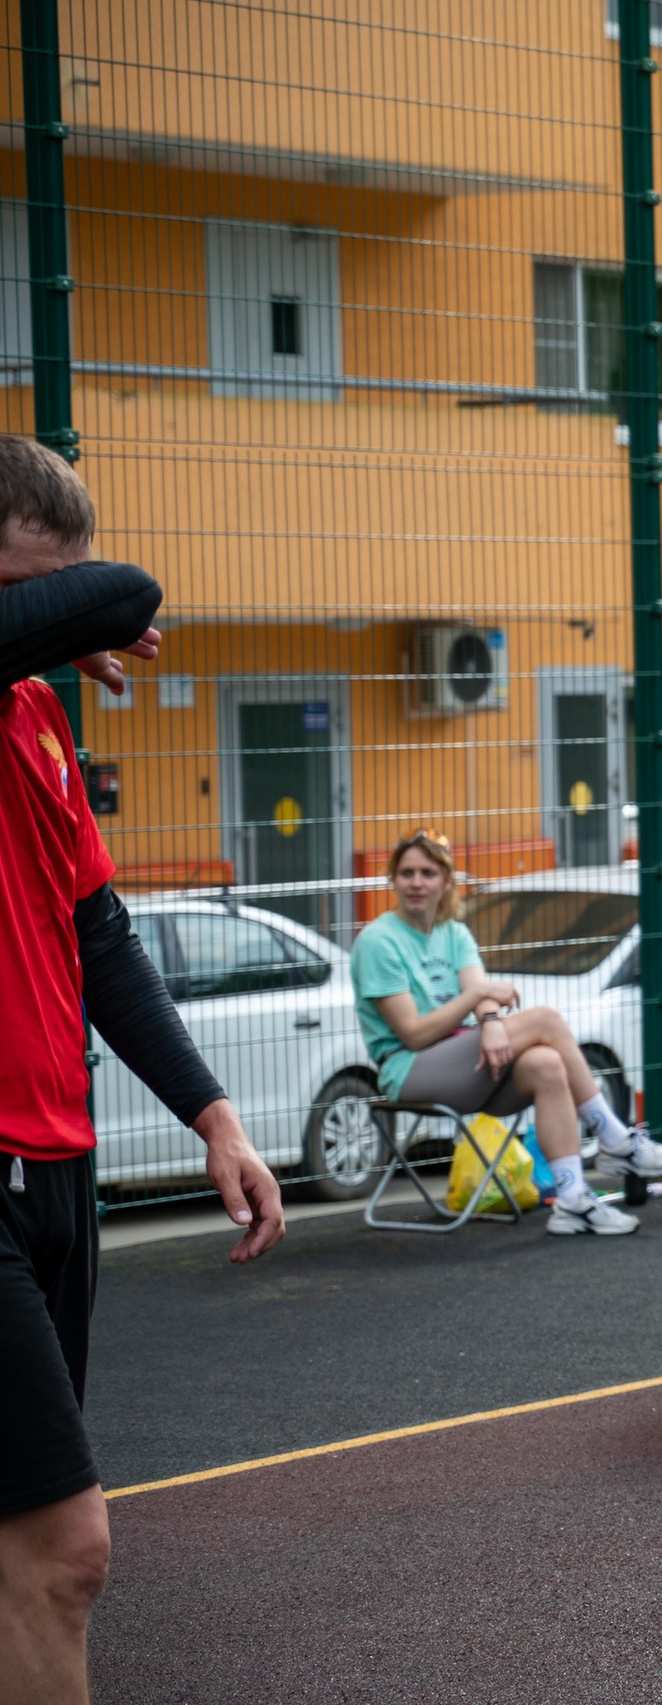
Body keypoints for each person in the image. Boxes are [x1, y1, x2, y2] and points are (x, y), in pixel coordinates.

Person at [0, 434, 287, 1704]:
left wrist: (214, 1115)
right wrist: (77, 613)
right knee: (68, 1553)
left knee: (17, 1557)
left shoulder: (35, 714)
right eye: (25, 587)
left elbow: (98, 937)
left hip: (58, 1167)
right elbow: (122, 592)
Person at [352, 830, 662, 1235]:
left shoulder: (453, 932)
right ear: (393, 880)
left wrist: (490, 1020)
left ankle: (573, 1200)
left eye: (427, 872)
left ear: (446, 881)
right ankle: (616, 1141)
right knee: (544, 1020)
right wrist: (477, 998)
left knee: (546, 1063)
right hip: (409, 1070)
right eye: (406, 873)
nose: (417, 883)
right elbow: (414, 1034)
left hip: (463, 1058)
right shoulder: (378, 941)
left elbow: (483, 994)